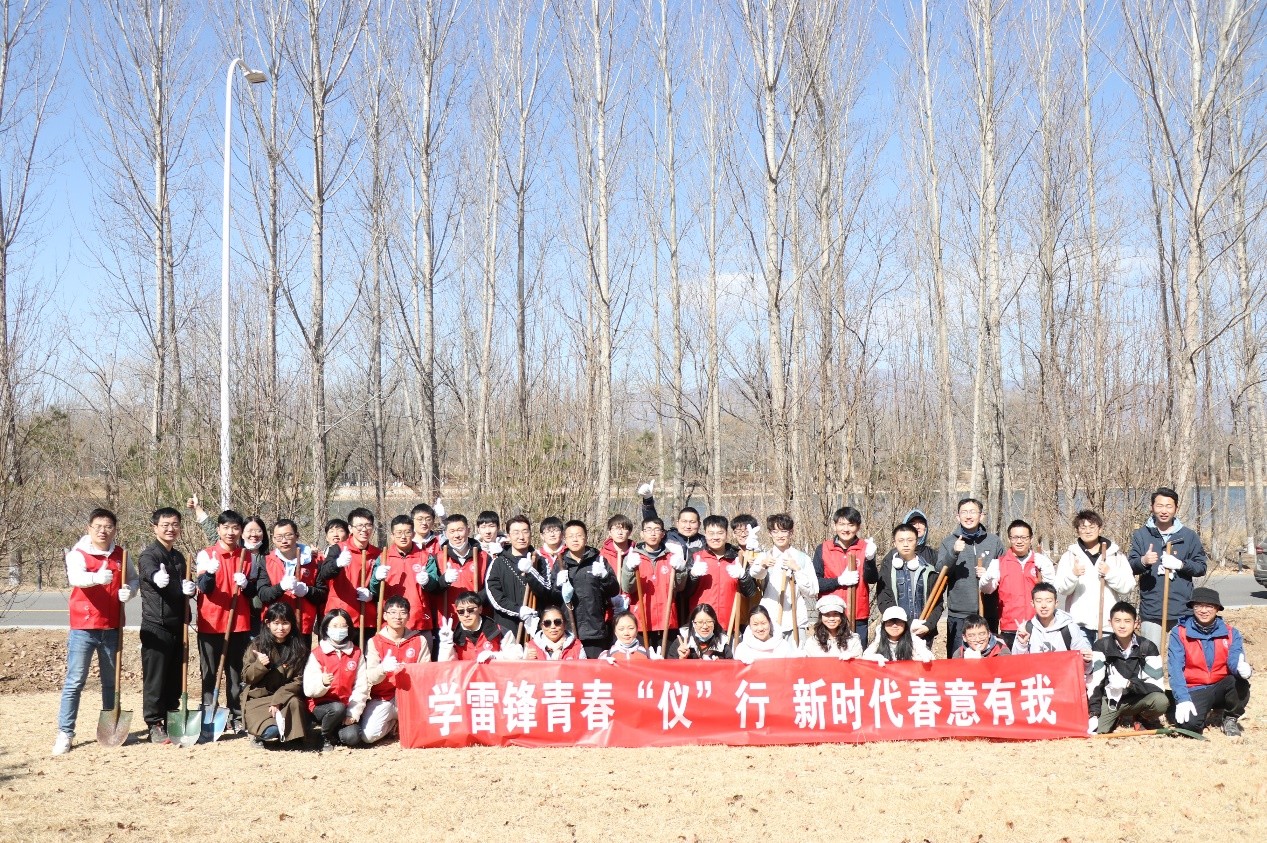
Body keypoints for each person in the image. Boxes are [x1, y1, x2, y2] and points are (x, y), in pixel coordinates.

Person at [53, 508, 138, 756]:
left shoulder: (122, 555)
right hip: (84, 628)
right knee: (75, 681)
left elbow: (133, 579)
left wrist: (130, 591)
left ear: (115, 530)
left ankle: (110, 729)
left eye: (108, 527)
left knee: (111, 683)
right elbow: (75, 578)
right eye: (98, 526)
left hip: (112, 627)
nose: (103, 531)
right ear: (89, 528)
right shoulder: (78, 554)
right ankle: (65, 732)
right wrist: (96, 578)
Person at [195, 509, 256, 736]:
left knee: (236, 673)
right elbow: (204, 587)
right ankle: (208, 712)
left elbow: (253, 592)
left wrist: (246, 585)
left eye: (235, 528)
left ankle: (236, 715)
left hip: (238, 623)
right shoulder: (207, 555)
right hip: (211, 623)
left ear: (240, 531)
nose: (231, 532)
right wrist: (209, 574)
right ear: (218, 529)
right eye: (226, 527)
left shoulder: (247, 556)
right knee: (210, 671)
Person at [1128, 487, 1209, 649]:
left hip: (1181, 609)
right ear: (1152, 507)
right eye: (1159, 506)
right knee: (1151, 656)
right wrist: (1143, 561)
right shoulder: (1141, 535)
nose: (1164, 511)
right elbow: (1130, 566)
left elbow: (1201, 567)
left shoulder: (1188, 536)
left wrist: (1181, 564)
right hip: (1151, 609)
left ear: (1176, 508)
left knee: (1179, 657)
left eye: (1168, 506)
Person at [137, 506, 190, 745]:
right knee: (155, 679)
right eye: (165, 525)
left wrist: (190, 589)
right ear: (155, 528)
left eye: (175, 524)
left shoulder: (178, 557)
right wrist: (155, 577)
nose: (171, 529)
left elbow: (182, 587)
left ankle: (171, 717)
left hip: (177, 625)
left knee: (174, 678)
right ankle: (154, 723)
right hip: (155, 626)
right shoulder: (149, 555)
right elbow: (148, 571)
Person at [1168, 587, 1252, 737]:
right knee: (1189, 726)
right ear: (1192, 607)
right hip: (1195, 687)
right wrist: (1182, 698)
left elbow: (1234, 660)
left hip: (1221, 684)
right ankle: (1177, 704)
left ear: (1217, 609)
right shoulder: (1179, 632)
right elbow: (1175, 669)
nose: (1203, 610)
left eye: (1209, 606)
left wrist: (1240, 669)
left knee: (1241, 684)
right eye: (1198, 605)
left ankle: (1230, 718)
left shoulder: (1231, 633)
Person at [936, 497, 1006, 656]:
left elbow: (1004, 572)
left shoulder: (993, 541)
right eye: (964, 512)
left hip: (988, 611)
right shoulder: (949, 542)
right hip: (959, 614)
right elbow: (940, 572)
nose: (968, 516)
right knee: (958, 659)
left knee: (989, 657)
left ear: (981, 516)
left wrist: (988, 575)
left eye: (973, 512)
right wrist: (953, 553)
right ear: (958, 516)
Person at [1053, 510, 1135, 645]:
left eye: (1092, 527)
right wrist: (1073, 575)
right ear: (1077, 530)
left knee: (1103, 658)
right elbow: (1061, 589)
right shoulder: (1070, 556)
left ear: (1100, 529)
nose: (1087, 531)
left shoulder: (1115, 555)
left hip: (1108, 625)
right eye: (1083, 527)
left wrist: (1110, 574)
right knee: (1082, 659)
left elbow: (1128, 587)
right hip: (1079, 626)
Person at [359, 595, 432, 745]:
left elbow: (426, 673)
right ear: (385, 615)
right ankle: (392, 724)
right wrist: (382, 669)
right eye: (392, 612)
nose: (398, 617)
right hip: (383, 698)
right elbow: (371, 677)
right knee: (368, 736)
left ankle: (403, 722)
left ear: (408, 616)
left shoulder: (419, 640)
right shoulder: (375, 642)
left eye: (403, 612)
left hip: (409, 697)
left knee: (423, 731)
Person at [1087, 602, 1167, 734]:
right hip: (1111, 699)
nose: (1122, 626)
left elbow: (1157, 686)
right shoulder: (1101, 646)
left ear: (1136, 624)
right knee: (1098, 730)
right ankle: (1115, 717)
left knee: (1161, 701)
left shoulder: (1148, 647)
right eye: (1117, 621)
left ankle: (1142, 717)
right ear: (1110, 623)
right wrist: (1094, 713)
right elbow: (1095, 683)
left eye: (1127, 621)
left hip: (1139, 698)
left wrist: (1129, 684)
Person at [978, 520, 1055, 648]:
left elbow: (1051, 590)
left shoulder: (1040, 562)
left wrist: (1045, 572)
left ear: (1030, 539)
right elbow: (987, 589)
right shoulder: (999, 563)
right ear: (1009, 539)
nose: (1019, 541)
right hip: (1010, 627)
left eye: (1024, 537)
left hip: (1038, 624)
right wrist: (987, 578)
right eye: (1015, 537)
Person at [242, 602, 310, 747]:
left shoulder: (299, 648)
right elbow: (246, 677)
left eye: (285, 623)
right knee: (271, 732)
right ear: (268, 623)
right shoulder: (257, 645)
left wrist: (278, 698)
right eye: (276, 623)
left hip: (286, 696)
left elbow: (299, 680)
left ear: (291, 624)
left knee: (295, 704)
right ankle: (258, 734)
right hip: (259, 698)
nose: (280, 628)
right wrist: (260, 665)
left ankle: (292, 736)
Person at [619, 516, 687, 654]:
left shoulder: (671, 557)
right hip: (641, 619)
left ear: (663, 534)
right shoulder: (633, 557)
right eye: (648, 530)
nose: (653, 533)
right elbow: (627, 588)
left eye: (657, 530)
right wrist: (629, 569)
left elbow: (680, 587)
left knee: (667, 659)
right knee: (643, 659)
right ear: (642, 533)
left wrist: (681, 570)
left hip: (667, 619)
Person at [810, 507, 877, 644]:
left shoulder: (865, 547)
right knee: (830, 652)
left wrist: (870, 560)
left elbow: (872, 579)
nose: (846, 529)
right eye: (841, 524)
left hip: (858, 614)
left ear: (858, 527)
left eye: (851, 525)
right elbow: (815, 583)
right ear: (834, 526)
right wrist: (839, 581)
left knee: (858, 652)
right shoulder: (823, 549)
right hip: (831, 614)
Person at [254, 519, 326, 644]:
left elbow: (322, 594)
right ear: (273, 539)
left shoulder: (313, 562)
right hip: (275, 626)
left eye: (288, 535)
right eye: (279, 537)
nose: (284, 541)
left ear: (297, 536)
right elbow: (263, 594)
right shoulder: (266, 561)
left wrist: (306, 591)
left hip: (302, 625)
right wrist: (280, 587)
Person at [685, 515, 758, 638]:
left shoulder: (738, 558)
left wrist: (743, 576)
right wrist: (692, 576)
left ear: (727, 534)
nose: (715, 537)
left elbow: (751, 593)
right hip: (702, 625)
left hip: (731, 623)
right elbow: (685, 592)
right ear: (705, 534)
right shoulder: (696, 557)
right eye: (711, 533)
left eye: (720, 533)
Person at [317, 508, 382, 645]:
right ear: (350, 528)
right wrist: (337, 564)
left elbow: (383, 587)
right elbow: (325, 573)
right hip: (340, 617)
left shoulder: (378, 553)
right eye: (359, 526)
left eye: (368, 525)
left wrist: (372, 595)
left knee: (364, 656)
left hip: (366, 618)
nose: (364, 529)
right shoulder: (338, 549)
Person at [303, 608, 366, 750]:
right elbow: (308, 689)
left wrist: (353, 713)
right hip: (320, 706)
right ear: (326, 628)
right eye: (335, 626)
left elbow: (361, 686)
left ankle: (333, 732)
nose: (339, 630)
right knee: (337, 708)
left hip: (345, 706)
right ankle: (324, 736)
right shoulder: (317, 653)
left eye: (343, 626)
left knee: (353, 737)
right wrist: (322, 683)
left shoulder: (356, 653)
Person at [557, 520, 620, 657]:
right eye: (571, 536)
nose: (575, 539)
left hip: (595, 629)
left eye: (579, 535)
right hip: (569, 630)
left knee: (595, 668)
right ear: (565, 540)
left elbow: (614, 590)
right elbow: (552, 596)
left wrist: (604, 576)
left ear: (586, 538)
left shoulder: (598, 560)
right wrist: (557, 586)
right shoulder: (561, 564)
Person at [375, 515, 440, 647]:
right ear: (392, 536)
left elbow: (435, 586)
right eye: (399, 533)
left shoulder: (425, 557)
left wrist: (428, 581)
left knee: (423, 658)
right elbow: (374, 590)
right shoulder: (383, 558)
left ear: (413, 534)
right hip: (391, 622)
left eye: (407, 532)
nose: (403, 537)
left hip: (419, 620)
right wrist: (376, 579)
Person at [485, 514, 553, 638]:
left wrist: (531, 572)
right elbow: (494, 595)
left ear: (531, 534)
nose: (521, 537)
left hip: (537, 626)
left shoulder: (541, 561)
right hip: (507, 628)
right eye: (516, 532)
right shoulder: (498, 562)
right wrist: (518, 610)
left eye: (525, 532)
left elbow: (547, 591)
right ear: (508, 536)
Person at [749, 513, 814, 642]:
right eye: (775, 531)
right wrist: (763, 565)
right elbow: (754, 573)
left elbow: (811, 591)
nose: (780, 535)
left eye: (784, 531)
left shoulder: (802, 558)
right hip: (770, 619)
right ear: (770, 533)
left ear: (791, 533)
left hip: (795, 620)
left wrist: (797, 570)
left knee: (797, 654)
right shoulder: (765, 556)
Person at [875, 522, 941, 647]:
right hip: (896, 631)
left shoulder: (929, 570)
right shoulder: (887, 569)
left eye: (910, 540)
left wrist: (928, 625)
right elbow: (884, 600)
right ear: (894, 543)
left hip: (924, 632)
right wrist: (906, 623)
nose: (905, 544)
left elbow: (938, 602)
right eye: (901, 540)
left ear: (917, 541)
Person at [1012, 583, 1093, 662]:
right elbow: (1017, 664)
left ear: (1056, 603)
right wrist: (1022, 645)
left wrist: (1087, 661)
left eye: (1049, 601)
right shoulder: (1025, 629)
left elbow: (1083, 666)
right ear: (1032, 603)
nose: (1044, 605)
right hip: (1036, 671)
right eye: (1039, 601)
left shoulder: (1070, 628)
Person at [431, 513, 492, 620]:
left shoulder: (484, 557)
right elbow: (433, 590)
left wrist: (475, 601)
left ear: (468, 530)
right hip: (449, 618)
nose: (457, 535)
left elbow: (491, 587)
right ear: (446, 533)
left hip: (476, 618)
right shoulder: (438, 558)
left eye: (460, 530)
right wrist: (443, 580)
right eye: (452, 531)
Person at [436, 591, 522, 661]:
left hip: (493, 676)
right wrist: (446, 645)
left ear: (480, 609)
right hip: (466, 677)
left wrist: (495, 656)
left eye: (470, 610)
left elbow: (517, 657)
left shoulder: (499, 631)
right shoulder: (454, 637)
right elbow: (446, 667)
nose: (466, 615)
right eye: (461, 611)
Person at [863, 606, 935, 664]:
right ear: (884, 625)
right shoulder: (878, 641)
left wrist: (922, 657)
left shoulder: (914, 641)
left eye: (899, 621)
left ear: (905, 624)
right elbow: (864, 659)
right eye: (890, 621)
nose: (894, 626)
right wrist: (875, 658)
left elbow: (929, 657)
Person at [801, 595, 863, 659]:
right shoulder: (813, 642)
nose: (831, 618)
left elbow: (859, 662)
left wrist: (853, 657)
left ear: (842, 616)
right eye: (827, 614)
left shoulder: (852, 640)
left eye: (836, 614)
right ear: (821, 617)